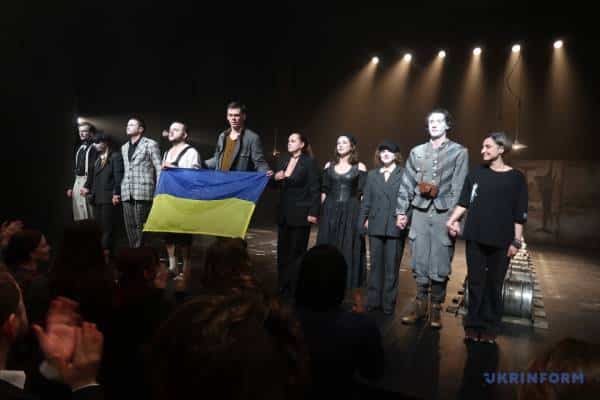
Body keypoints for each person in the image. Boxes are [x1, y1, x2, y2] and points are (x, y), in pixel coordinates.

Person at [446, 132, 528, 343]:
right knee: (475, 282)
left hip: (502, 240)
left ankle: (490, 326)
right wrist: (451, 220)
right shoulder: (476, 174)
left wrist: (516, 241)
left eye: (488, 147)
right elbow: (464, 202)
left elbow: (519, 213)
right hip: (476, 236)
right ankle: (473, 324)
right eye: (482, 147)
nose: (483, 150)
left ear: (501, 149)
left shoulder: (516, 178)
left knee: (494, 284)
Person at [396, 108, 469, 329]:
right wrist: (401, 212)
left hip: (443, 213)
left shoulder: (459, 152)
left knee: (440, 260)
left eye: (439, 121)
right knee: (418, 258)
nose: (434, 125)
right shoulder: (417, 151)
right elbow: (407, 183)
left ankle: (436, 307)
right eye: (431, 122)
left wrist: (455, 219)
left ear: (447, 125)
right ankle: (420, 305)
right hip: (419, 211)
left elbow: (459, 187)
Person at [359, 140, 406, 315]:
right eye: (382, 151)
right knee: (375, 265)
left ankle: (388, 302)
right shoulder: (372, 175)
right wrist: (362, 221)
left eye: (389, 151)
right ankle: (373, 300)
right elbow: (366, 200)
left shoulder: (405, 174)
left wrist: (405, 217)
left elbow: (409, 198)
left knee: (391, 267)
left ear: (396, 155)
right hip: (376, 223)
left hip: (394, 225)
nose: (385, 154)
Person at [317, 134, 367, 289]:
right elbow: (324, 191)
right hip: (330, 209)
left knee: (348, 245)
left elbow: (363, 194)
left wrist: (364, 217)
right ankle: (326, 280)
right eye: (338, 142)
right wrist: (320, 212)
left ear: (352, 146)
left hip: (351, 210)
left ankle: (347, 282)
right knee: (328, 245)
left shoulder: (360, 167)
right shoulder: (329, 165)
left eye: (344, 142)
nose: (340, 145)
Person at [273, 132, 320, 294]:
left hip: (301, 214)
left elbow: (315, 189)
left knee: (297, 253)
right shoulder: (283, 160)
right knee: (282, 252)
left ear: (302, 144)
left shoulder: (309, 162)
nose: (289, 143)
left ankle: (294, 287)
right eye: (288, 140)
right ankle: (282, 285)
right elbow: (275, 185)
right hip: (284, 214)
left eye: (293, 141)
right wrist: (275, 178)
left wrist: (313, 212)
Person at [160, 121, 201, 276]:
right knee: (168, 234)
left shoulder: (191, 152)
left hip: (184, 199)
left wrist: (174, 168)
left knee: (184, 235)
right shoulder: (167, 152)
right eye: (170, 129)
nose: (171, 132)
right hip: (168, 198)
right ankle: (173, 266)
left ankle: (186, 268)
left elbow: (195, 176)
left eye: (176, 130)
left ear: (184, 135)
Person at [120, 116, 161, 248]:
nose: (128, 126)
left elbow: (159, 168)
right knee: (130, 226)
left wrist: (159, 190)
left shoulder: (150, 144)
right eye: (127, 124)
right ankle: (134, 253)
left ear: (141, 129)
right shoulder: (124, 147)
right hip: (127, 192)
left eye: (132, 124)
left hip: (143, 191)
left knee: (142, 226)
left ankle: (142, 254)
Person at [81, 134, 124, 261]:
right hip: (97, 197)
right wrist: (86, 187)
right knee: (99, 228)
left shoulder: (115, 156)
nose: (95, 145)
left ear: (105, 142)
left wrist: (116, 193)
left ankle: (107, 257)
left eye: (98, 142)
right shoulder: (97, 159)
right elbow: (92, 177)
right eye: (94, 143)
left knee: (107, 228)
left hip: (109, 198)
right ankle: (101, 256)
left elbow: (118, 177)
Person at [204, 101, 272, 174]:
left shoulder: (252, 138)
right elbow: (217, 159)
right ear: (227, 117)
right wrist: (201, 163)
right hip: (220, 179)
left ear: (244, 117)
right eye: (230, 115)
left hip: (238, 181)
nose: (233, 118)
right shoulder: (222, 136)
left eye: (236, 115)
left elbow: (259, 163)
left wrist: (267, 172)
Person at [2, 230, 50, 297]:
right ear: (32, 254)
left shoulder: (35, 270)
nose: (49, 248)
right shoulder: (26, 281)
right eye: (44, 246)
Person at [67, 122, 98, 221]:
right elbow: (75, 168)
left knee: (88, 213)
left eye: (84, 131)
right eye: (80, 131)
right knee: (78, 212)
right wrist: (71, 186)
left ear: (91, 133)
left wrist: (87, 186)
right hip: (77, 181)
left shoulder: (94, 148)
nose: (81, 133)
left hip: (87, 181)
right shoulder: (80, 148)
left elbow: (92, 168)